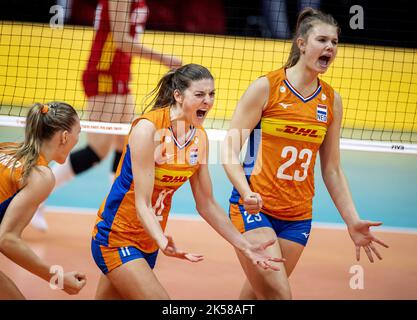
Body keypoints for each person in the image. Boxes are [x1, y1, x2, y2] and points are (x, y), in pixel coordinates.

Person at [221, 8, 389, 300]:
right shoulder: (267, 87)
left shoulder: (331, 100)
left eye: (335, 42)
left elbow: (332, 169)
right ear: (301, 43)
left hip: (298, 216)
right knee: (279, 295)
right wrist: (245, 191)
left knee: (258, 294)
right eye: (322, 40)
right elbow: (228, 148)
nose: (330, 47)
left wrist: (352, 220)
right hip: (254, 210)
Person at [91, 64, 284, 299]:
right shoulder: (147, 129)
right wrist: (162, 240)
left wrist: (245, 246)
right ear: (178, 95)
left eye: (211, 94)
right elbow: (142, 202)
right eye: (200, 94)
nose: (208, 101)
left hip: (149, 241)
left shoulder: (199, 138)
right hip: (116, 236)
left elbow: (207, 204)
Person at [31, 0, 182, 231]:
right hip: (103, 74)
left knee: (127, 147)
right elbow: (121, 40)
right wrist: (165, 59)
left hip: (121, 75)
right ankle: (35, 198)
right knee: (97, 150)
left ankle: (118, 215)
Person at [0, 102, 86, 299]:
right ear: (65, 136)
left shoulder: (8, 149)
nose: (77, 139)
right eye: (77, 133)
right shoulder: (41, 176)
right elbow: (6, 239)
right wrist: (59, 278)